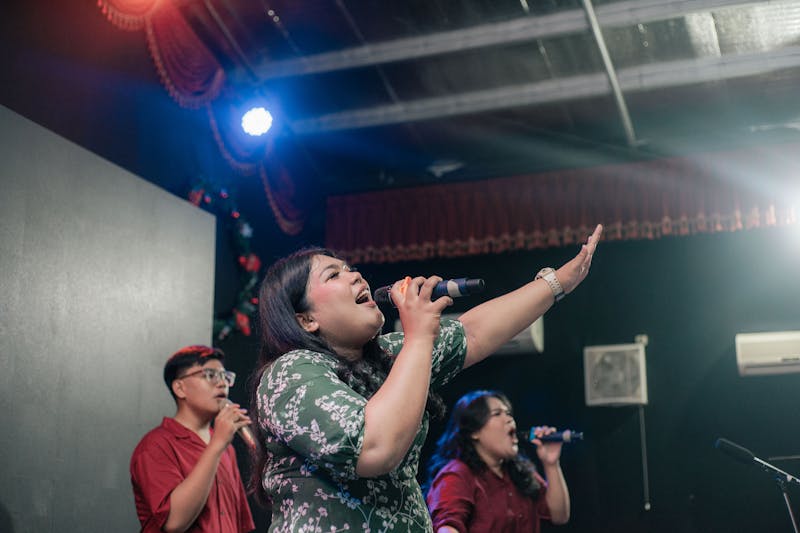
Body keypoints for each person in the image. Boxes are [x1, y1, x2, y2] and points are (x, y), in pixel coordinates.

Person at [250, 224, 603, 531]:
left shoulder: (388, 356)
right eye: (333, 275)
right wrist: (419, 337)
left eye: (350, 268)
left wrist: (560, 282)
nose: (355, 275)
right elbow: (374, 448)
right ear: (305, 320)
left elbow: (473, 333)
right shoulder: (289, 373)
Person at [130, 345, 255, 533]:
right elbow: (174, 522)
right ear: (180, 388)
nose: (222, 384)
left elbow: (238, 524)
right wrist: (217, 445)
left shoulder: (226, 448)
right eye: (210, 374)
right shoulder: (156, 445)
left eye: (225, 376)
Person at [425, 390, 569, 532]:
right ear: (474, 432)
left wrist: (551, 464)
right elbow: (446, 527)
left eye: (508, 413)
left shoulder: (518, 471)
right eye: (497, 414)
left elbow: (559, 516)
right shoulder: (457, 474)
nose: (509, 419)